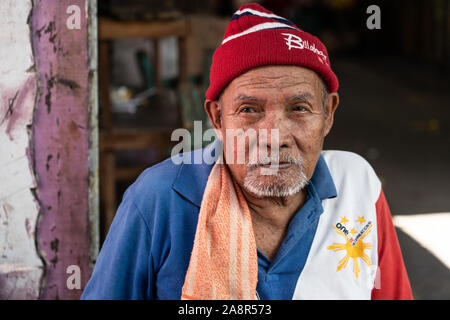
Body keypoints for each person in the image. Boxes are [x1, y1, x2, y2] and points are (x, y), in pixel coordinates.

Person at [82, 3, 412, 300]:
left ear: (328, 113)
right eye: (250, 110)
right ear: (216, 117)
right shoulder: (159, 198)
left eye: (299, 108)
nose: (274, 137)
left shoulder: (358, 186)